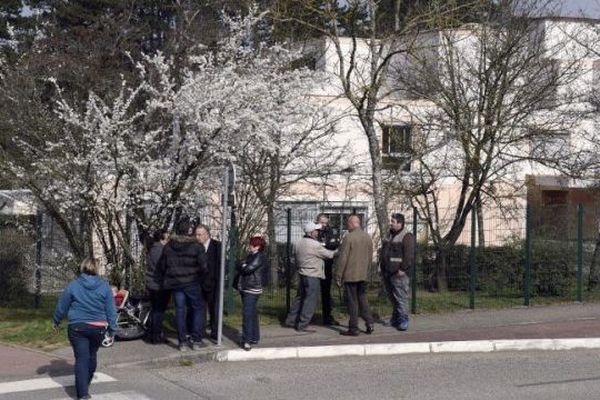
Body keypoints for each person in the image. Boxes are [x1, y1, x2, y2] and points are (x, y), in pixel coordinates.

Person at [53, 258, 117, 400]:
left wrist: (56, 320)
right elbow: (111, 309)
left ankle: (83, 393)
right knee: (92, 355)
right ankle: (84, 384)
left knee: (81, 359)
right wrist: (113, 329)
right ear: (96, 269)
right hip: (98, 327)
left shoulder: (73, 285)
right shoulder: (104, 286)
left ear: (82, 268)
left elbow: (62, 305)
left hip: (77, 327)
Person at [157, 218, 207, 351]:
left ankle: (182, 342)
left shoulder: (169, 246)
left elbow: (162, 265)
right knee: (198, 308)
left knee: (180, 311)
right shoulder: (196, 246)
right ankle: (196, 340)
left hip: (176, 283)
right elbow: (203, 266)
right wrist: (199, 276)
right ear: (189, 231)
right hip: (192, 282)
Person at [285, 222, 336, 332]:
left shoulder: (298, 243)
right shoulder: (315, 245)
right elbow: (329, 255)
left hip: (302, 273)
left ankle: (291, 320)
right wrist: (339, 249)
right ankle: (303, 323)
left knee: (300, 298)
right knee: (310, 300)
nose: (317, 233)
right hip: (313, 275)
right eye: (316, 231)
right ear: (311, 232)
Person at [335, 215, 375, 336]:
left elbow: (343, 258)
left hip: (351, 274)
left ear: (353, 223)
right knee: (363, 299)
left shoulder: (349, 238)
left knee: (352, 302)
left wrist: (338, 275)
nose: (347, 226)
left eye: (348, 223)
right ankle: (370, 323)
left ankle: (353, 327)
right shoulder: (367, 237)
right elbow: (370, 256)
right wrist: (367, 271)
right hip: (363, 274)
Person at [380, 213, 415, 331]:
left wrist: (402, 269)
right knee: (393, 298)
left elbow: (409, 255)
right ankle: (395, 318)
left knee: (400, 298)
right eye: (391, 221)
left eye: (393, 222)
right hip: (388, 272)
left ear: (400, 223)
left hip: (399, 273)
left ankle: (403, 320)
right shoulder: (390, 235)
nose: (391, 223)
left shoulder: (407, 236)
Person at [235, 235, 267, 351]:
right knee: (252, 313)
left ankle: (247, 340)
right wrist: (242, 265)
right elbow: (241, 264)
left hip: (252, 288)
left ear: (257, 246)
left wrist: (242, 265)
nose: (249, 246)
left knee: (247, 314)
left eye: (252, 244)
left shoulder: (259, 257)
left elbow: (247, 269)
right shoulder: (252, 255)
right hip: (247, 287)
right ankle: (254, 336)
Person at [194, 224, 222, 341]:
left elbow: (220, 265)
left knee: (214, 309)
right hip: (198, 283)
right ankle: (199, 333)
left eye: (199, 234)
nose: (197, 237)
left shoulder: (217, 246)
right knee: (199, 309)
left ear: (206, 235)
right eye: (196, 234)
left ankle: (215, 332)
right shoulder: (195, 247)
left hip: (213, 284)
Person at [145, 228, 170, 344]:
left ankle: (152, 333)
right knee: (158, 311)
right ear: (162, 238)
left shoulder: (153, 249)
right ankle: (156, 335)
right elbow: (162, 267)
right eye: (167, 237)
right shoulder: (160, 250)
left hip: (151, 283)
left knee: (155, 309)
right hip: (159, 285)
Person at [316, 213, 340, 325]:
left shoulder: (332, 231)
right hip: (315, 265)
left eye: (325, 222)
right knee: (309, 292)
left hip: (327, 264)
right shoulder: (314, 231)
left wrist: (323, 246)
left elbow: (334, 244)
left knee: (326, 292)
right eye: (321, 222)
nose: (323, 225)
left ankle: (327, 316)